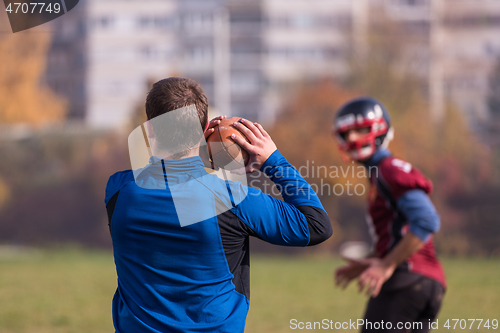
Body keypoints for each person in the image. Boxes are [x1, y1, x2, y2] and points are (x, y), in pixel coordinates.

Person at [104, 77, 332, 333]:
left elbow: (163, 175)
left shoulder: (117, 190)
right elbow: (316, 225)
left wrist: (192, 149)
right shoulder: (233, 198)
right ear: (203, 131)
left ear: (149, 129)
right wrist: (273, 160)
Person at [332, 97, 446, 333]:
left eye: (359, 130)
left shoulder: (388, 168)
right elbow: (400, 229)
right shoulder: (379, 173)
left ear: (379, 129)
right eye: (347, 133)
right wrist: (376, 257)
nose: (352, 138)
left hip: (407, 278)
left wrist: (387, 263)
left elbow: (426, 220)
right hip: (426, 282)